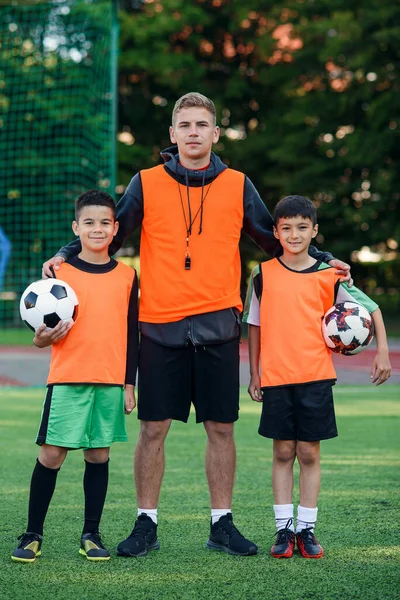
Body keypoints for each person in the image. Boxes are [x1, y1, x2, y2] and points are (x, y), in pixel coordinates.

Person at [42, 93, 351, 557]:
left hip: (218, 326)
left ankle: (221, 524)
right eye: (184, 125)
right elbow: (109, 232)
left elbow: (276, 240)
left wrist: (326, 260)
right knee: (152, 429)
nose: (192, 132)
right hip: (160, 325)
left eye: (201, 125)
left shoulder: (238, 184)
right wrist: (65, 254)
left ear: (215, 133)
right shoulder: (144, 183)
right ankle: (146, 523)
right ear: (172, 134)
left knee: (221, 429)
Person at [244, 194, 391, 559]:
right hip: (276, 376)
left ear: (314, 231)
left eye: (302, 228)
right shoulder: (262, 274)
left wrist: (384, 353)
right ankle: (283, 530)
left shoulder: (332, 275)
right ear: (276, 231)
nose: (294, 235)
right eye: (287, 228)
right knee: (282, 452)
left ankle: (307, 529)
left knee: (308, 452)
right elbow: (255, 326)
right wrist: (254, 373)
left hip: (315, 376)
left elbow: (371, 311)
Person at [12, 190, 138, 563]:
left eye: (104, 223)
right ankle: (33, 533)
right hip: (67, 378)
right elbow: (39, 335)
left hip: (110, 379)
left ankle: (91, 534)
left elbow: (133, 333)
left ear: (115, 228)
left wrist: (129, 384)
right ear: (75, 227)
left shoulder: (128, 276)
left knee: (98, 455)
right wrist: (40, 340)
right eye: (89, 222)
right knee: (52, 455)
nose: (97, 229)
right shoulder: (57, 273)